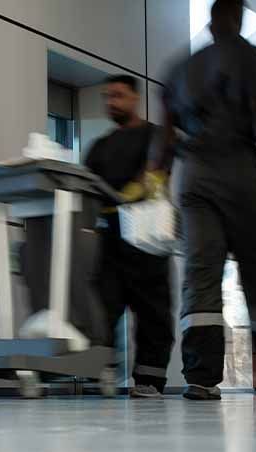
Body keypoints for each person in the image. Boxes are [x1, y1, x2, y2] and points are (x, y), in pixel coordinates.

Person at [152, 0, 256, 400]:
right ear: (235, 18)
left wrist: (153, 178)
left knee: (201, 273)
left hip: (192, 178)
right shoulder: (247, 54)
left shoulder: (177, 69)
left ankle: (201, 377)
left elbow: (165, 132)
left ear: (210, 22)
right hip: (238, 171)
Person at [85, 75, 174, 399]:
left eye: (118, 96)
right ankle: (103, 373)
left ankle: (149, 380)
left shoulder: (155, 136)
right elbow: (88, 186)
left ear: (135, 98)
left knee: (152, 311)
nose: (111, 102)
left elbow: (159, 170)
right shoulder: (100, 147)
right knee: (104, 308)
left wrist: (137, 188)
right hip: (109, 237)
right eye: (107, 97)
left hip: (146, 234)